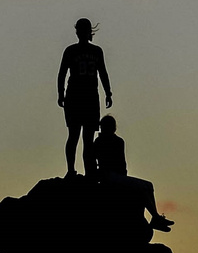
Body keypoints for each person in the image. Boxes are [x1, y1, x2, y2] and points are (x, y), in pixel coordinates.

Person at [89, 115, 173, 232]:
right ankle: (156, 217)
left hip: (117, 176)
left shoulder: (116, 141)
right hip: (108, 176)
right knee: (143, 187)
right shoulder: (100, 142)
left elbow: (121, 164)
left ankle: (155, 217)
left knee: (149, 185)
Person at [57, 17, 111, 177]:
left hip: (87, 99)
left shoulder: (93, 51)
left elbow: (103, 73)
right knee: (75, 136)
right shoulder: (73, 51)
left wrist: (108, 92)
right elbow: (61, 74)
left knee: (85, 138)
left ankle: (87, 173)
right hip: (77, 98)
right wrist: (60, 93)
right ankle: (72, 170)